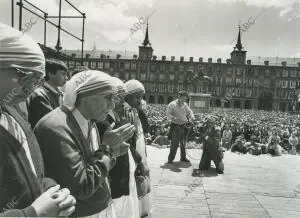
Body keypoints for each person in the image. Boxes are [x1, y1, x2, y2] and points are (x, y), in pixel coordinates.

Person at [34, 70, 135, 217]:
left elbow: (90, 166)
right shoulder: (57, 128)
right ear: (86, 97)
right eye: (108, 98)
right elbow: (81, 188)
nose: (112, 105)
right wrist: (107, 149)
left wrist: (111, 153)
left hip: (96, 208)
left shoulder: (89, 122)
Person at [0, 22, 75, 217]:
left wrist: (49, 189)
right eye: (26, 76)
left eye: (37, 80)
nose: (31, 87)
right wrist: (32, 213)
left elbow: (30, 167)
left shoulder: (11, 113)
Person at [96, 79, 140, 218]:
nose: (122, 100)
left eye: (123, 96)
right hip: (111, 171)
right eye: (118, 96)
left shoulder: (119, 114)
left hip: (123, 168)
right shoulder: (101, 120)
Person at [125, 79, 152, 218]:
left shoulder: (136, 110)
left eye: (142, 97)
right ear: (127, 96)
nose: (140, 100)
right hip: (134, 156)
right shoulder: (126, 112)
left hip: (141, 152)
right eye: (137, 97)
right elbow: (128, 142)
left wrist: (141, 111)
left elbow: (146, 128)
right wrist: (139, 161)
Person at [27, 58, 68, 128]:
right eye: (63, 74)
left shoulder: (60, 94)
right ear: (51, 74)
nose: (66, 78)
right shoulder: (39, 95)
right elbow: (52, 123)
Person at [166, 91, 195, 163]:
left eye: (185, 99)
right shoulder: (172, 104)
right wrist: (173, 118)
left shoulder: (185, 104)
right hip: (175, 126)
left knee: (183, 143)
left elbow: (189, 112)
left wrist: (192, 116)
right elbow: (168, 114)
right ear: (179, 97)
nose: (184, 100)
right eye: (182, 98)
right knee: (174, 144)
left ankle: (183, 157)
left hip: (183, 126)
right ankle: (170, 159)